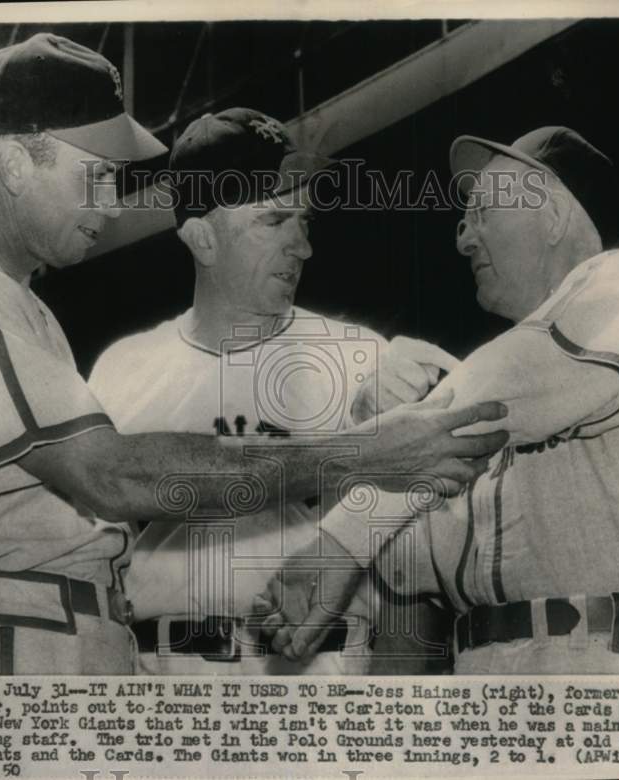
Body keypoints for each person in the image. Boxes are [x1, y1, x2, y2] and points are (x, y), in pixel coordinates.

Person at [0, 34, 506, 676]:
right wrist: (363, 453)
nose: (113, 200)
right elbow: (110, 477)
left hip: (91, 636)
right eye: (97, 175)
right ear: (15, 164)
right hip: (23, 633)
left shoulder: (14, 301)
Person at [262, 126, 619, 675]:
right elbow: (407, 569)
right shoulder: (502, 387)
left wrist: (346, 529)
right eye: (462, 220)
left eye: (480, 212)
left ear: (550, 213)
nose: (463, 240)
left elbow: (498, 391)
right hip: (491, 680)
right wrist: (381, 426)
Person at [89, 108, 477, 674]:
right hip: (166, 682)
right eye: (274, 222)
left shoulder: (362, 357)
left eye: (305, 222)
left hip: (319, 681)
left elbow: (415, 577)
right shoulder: (122, 370)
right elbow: (89, 570)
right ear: (202, 238)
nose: (303, 248)